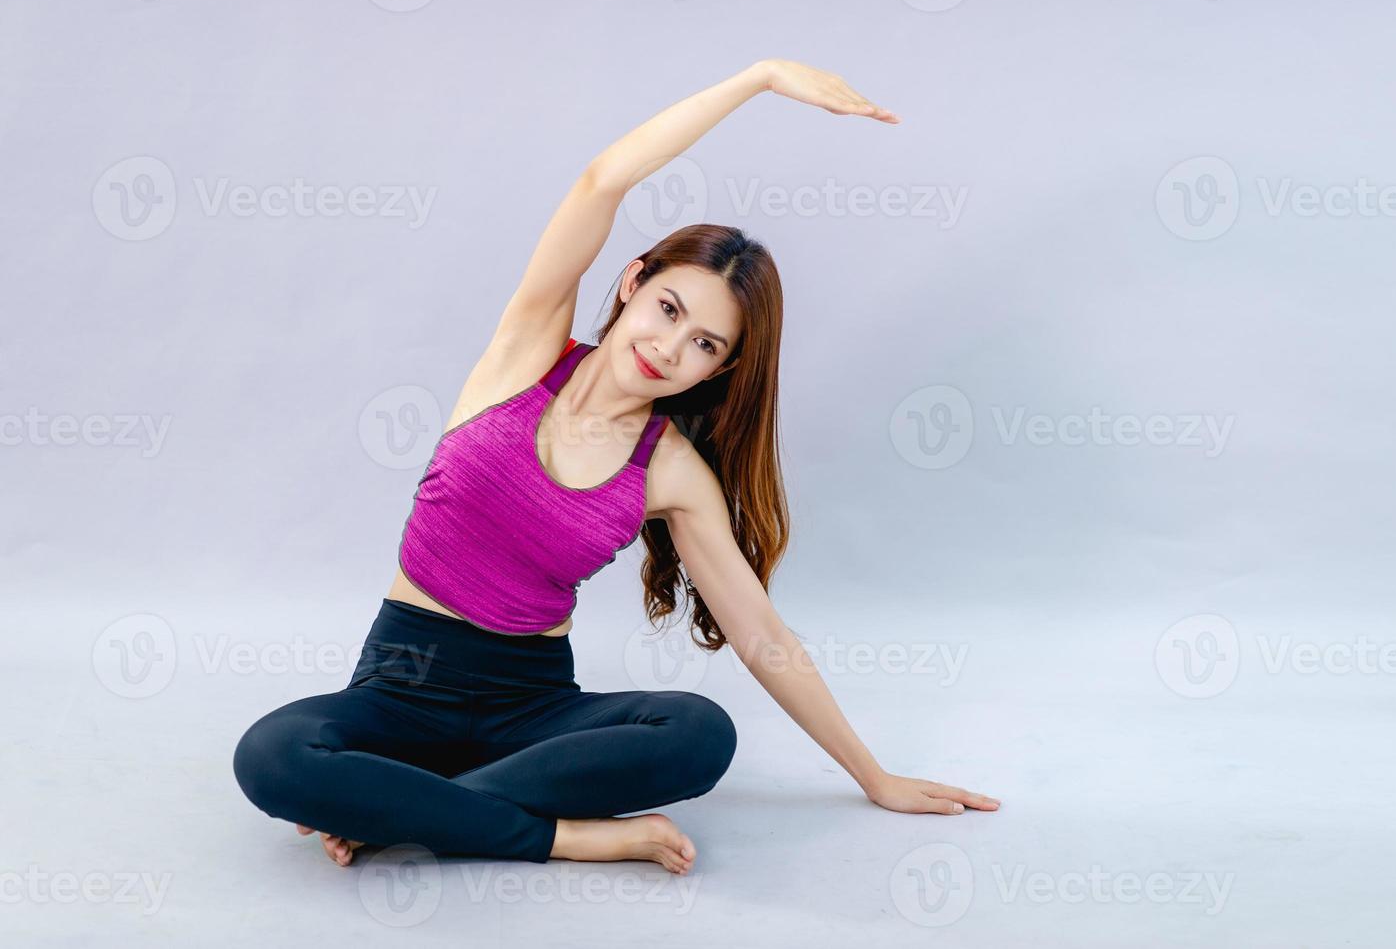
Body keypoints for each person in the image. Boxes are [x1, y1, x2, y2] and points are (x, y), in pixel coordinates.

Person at [232, 58, 999, 875]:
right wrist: (758, 79)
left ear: (718, 371)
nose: (669, 348)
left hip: (529, 704)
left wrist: (872, 776)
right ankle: (554, 834)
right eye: (668, 309)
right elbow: (603, 180)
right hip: (399, 682)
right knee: (270, 757)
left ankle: (399, 812)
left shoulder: (670, 473)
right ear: (632, 282)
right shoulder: (524, 356)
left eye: (705, 344)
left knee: (702, 734)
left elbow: (761, 636)